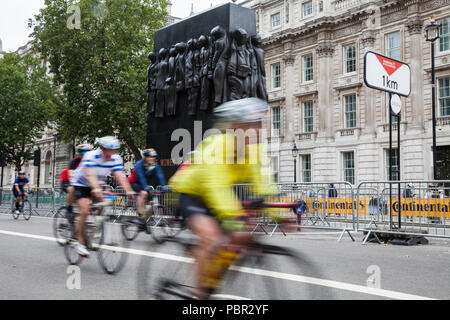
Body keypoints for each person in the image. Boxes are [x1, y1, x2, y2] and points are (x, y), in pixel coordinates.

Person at [170, 97, 277, 299]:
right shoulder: (216, 147)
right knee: (212, 237)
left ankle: (209, 278)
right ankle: (199, 294)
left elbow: (264, 183)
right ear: (234, 127)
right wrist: (234, 215)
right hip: (194, 194)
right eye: (252, 125)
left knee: (240, 237)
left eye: (259, 125)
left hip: (218, 197)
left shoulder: (254, 150)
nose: (258, 130)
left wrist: (279, 212)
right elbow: (214, 186)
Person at [70, 136, 136, 257]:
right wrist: (95, 189)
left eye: (114, 150)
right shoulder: (91, 156)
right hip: (81, 184)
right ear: (102, 149)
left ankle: (95, 232)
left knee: (103, 206)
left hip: (97, 184)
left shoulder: (116, 159)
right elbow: (90, 176)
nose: (112, 153)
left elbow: (120, 176)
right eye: (109, 150)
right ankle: (79, 242)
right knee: (84, 211)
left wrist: (129, 190)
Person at [129, 148, 167, 228]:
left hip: (144, 185)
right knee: (144, 193)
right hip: (134, 183)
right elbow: (141, 177)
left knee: (151, 203)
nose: (152, 159)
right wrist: (146, 188)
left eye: (154, 157)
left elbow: (160, 175)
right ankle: (140, 216)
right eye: (150, 157)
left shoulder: (154, 166)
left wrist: (164, 186)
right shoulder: (139, 164)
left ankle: (144, 222)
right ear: (145, 157)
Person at [60, 144, 93, 224]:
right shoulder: (74, 162)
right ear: (79, 155)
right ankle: (69, 208)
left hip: (81, 183)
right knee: (72, 189)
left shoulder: (91, 162)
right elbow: (72, 176)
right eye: (84, 154)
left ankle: (85, 216)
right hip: (67, 181)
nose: (86, 156)